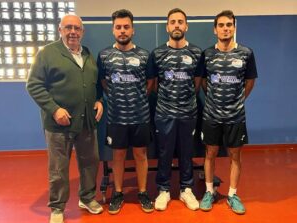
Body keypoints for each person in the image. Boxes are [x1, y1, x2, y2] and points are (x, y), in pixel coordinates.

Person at [26, 14, 104, 223]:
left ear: (82, 32)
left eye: (77, 29)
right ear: (60, 30)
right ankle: (57, 207)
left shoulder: (87, 54)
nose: (72, 32)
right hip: (59, 125)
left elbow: (93, 85)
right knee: (59, 168)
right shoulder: (48, 53)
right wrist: (54, 109)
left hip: (87, 122)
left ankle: (87, 198)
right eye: (68, 28)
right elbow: (33, 85)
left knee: (90, 163)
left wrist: (98, 100)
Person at [199, 10, 258, 214]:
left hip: (236, 116)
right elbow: (204, 82)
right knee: (210, 153)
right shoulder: (207, 55)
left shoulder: (246, 53)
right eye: (222, 25)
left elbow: (250, 81)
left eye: (229, 25)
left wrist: (239, 99)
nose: (226, 28)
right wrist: (213, 99)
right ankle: (209, 191)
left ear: (234, 28)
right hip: (211, 115)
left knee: (235, 155)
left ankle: (232, 194)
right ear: (215, 29)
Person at [97, 9, 154, 214]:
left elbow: (150, 83)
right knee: (118, 155)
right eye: (118, 27)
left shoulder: (144, 55)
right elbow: (103, 82)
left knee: (140, 154)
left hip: (140, 116)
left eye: (126, 27)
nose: (122, 31)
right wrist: (113, 97)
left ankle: (143, 192)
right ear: (113, 30)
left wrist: (138, 99)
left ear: (133, 29)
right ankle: (118, 193)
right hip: (116, 116)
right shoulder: (104, 55)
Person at [148, 8, 202, 211]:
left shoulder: (196, 53)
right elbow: (153, 84)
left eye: (181, 21)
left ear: (186, 26)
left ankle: (186, 189)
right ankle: (163, 190)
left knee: (187, 152)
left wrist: (186, 101)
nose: (177, 25)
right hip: (164, 112)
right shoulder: (158, 53)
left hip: (188, 113)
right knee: (164, 152)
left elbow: (197, 83)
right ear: (167, 27)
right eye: (173, 22)